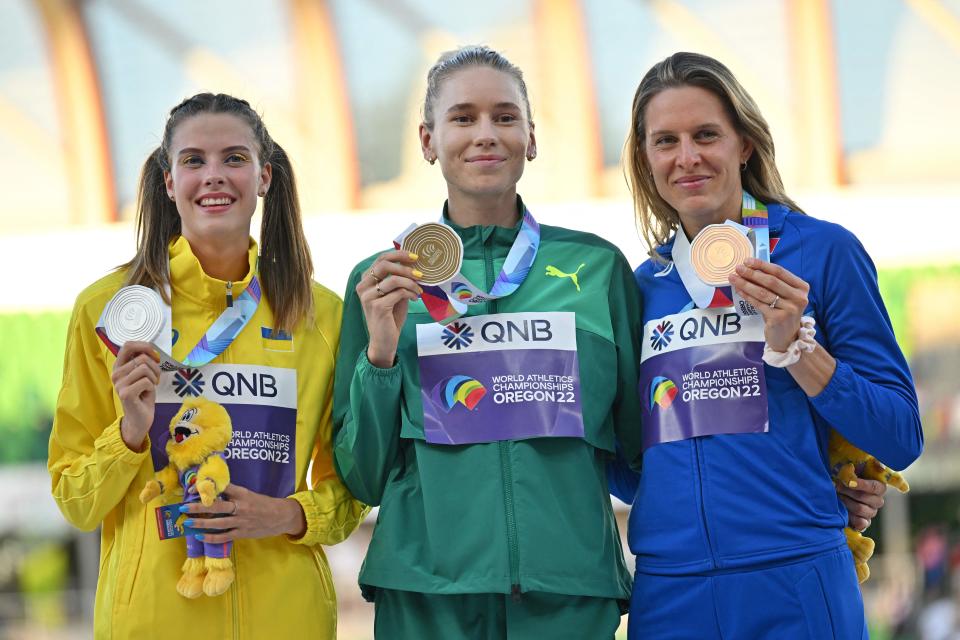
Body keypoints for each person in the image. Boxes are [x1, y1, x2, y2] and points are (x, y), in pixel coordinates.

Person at [332, 46, 645, 638]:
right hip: (426, 592)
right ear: (428, 140)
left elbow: (643, 444)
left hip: (570, 588)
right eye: (462, 117)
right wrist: (379, 355)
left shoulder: (596, 267)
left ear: (531, 137)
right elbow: (361, 477)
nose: (485, 135)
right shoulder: (382, 281)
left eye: (505, 117)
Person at [616, 51, 923, 638]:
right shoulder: (639, 287)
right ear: (646, 159)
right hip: (669, 590)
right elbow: (637, 468)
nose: (688, 157)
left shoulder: (825, 252)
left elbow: (900, 435)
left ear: (745, 144)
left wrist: (799, 352)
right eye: (665, 141)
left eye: (707, 134)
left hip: (795, 577)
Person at [48, 93, 367, 637]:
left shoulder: (323, 317)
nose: (213, 175)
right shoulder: (108, 310)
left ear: (264, 177)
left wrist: (288, 515)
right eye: (193, 160)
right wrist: (128, 434)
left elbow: (354, 486)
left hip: (287, 618)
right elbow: (77, 503)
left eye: (234, 159)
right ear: (169, 182)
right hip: (151, 620)